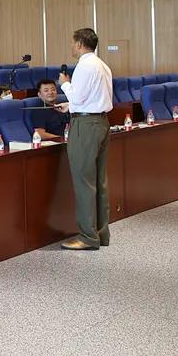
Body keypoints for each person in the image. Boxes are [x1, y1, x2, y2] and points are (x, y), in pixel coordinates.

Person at [56, 28, 113, 251]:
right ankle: (101, 233)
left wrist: (65, 83)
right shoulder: (102, 65)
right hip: (100, 122)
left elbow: (78, 97)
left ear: (80, 43)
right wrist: (70, 106)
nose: (71, 46)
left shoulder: (84, 66)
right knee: (99, 181)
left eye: (73, 43)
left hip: (85, 126)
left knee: (84, 182)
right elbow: (94, 98)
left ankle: (87, 237)